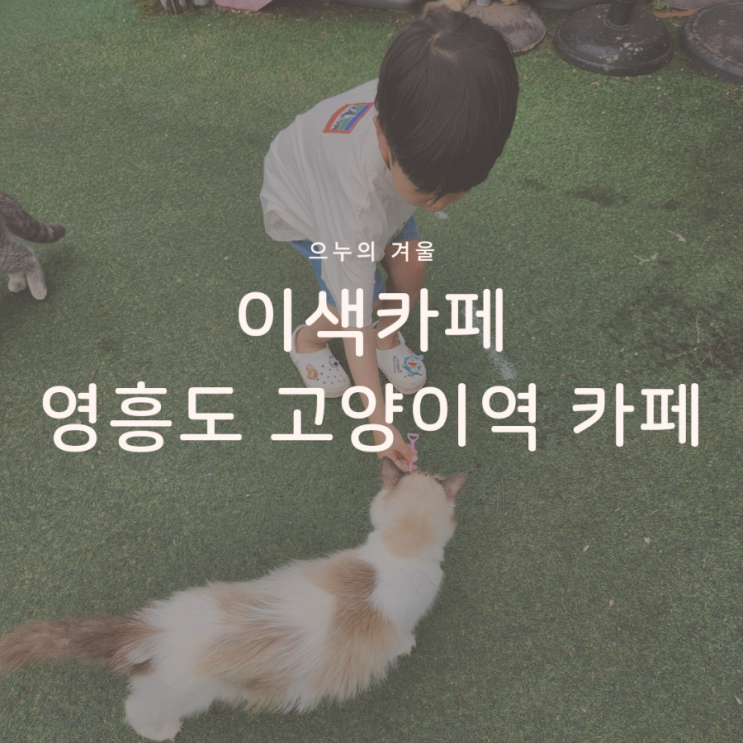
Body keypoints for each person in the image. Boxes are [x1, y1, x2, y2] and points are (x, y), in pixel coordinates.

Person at [260, 8, 519, 469]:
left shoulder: (421, 106)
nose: (438, 206)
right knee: (354, 303)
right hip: (307, 207)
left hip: (382, 198)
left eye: (459, 190)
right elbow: (354, 322)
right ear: (383, 135)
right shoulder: (351, 208)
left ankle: (389, 334)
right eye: (429, 193)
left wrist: (418, 190)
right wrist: (380, 425)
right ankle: (307, 341)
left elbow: (424, 184)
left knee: (412, 266)